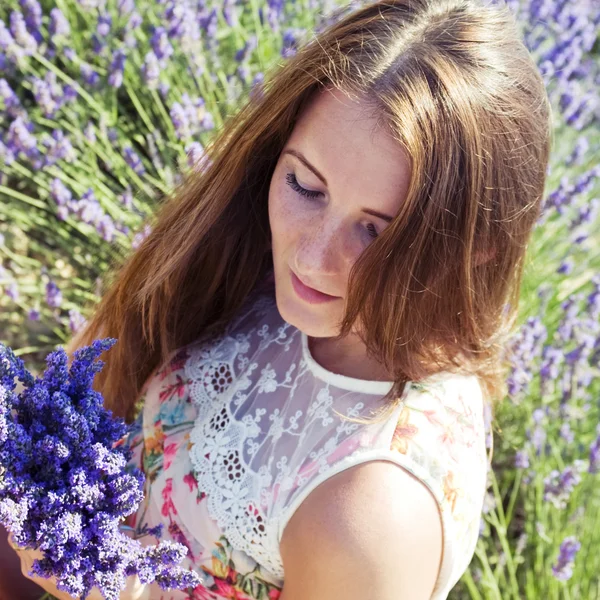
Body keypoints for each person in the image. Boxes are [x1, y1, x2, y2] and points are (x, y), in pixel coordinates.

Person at [8, 0, 552, 597]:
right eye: (305, 185)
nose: (311, 259)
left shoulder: (374, 507)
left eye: (376, 232)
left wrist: (93, 580)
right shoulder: (242, 252)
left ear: (477, 251)